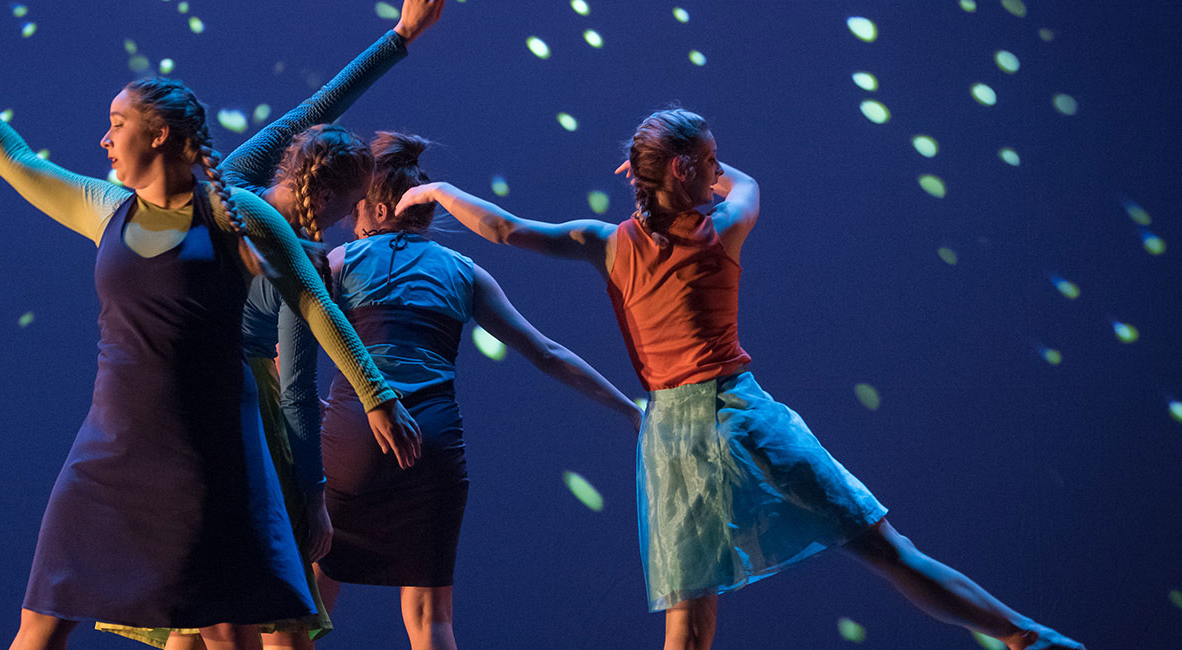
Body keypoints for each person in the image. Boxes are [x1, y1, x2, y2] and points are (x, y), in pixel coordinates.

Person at [394, 108, 1085, 650]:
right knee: (880, 550)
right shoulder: (723, 225)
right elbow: (747, 185)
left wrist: (437, 188)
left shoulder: (608, 243)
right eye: (709, 162)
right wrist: (695, 172)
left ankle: (1031, 637)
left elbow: (509, 229)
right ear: (688, 169)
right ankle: (1031, 637)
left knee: (695, 626)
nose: (719, 173)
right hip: (730, 416)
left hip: (687, 431)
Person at [0, 14, 420, 650]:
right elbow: (18, 161)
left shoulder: (236, 214)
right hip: (110, 444)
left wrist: (376, 394)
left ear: (158, 136)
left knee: (227, 630)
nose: (104, 140)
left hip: (206, 451)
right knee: (41, 621)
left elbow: (316, 305)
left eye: (118, 126)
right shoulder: (107, 209)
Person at [103, 3, 446, 649]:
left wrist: (398, 39)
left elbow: (312, 109)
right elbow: (293, 389)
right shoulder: (301, 258)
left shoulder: (227, 189)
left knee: (195, 612)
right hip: (240, 421)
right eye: (348, 209)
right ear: (333, 201)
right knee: (265, 613)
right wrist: (313, 495)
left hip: (168, 403)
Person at [316, 132, 643, 650]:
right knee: (431, 619)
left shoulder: (338, 264)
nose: (351, 225)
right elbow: (547, 353)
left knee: (307, 605)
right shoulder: (463, 272)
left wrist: (321, 410)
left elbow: (278, 345)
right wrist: (629, 409)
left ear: (378, 209)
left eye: (355, 213)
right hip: (431, 448)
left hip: (351, 439)